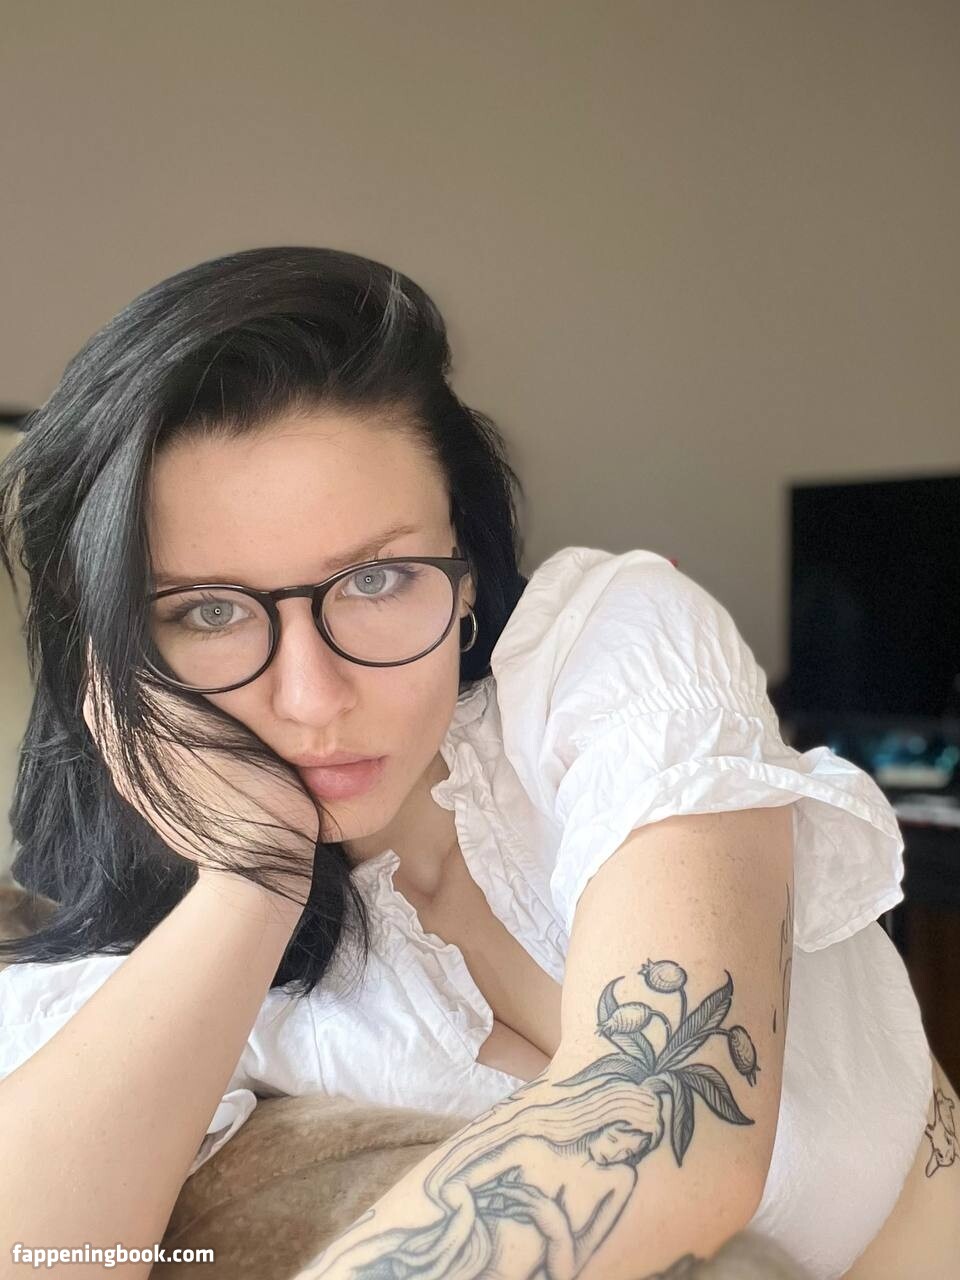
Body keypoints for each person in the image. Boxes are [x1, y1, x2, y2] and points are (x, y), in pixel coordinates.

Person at [0, 247, 955, 1280]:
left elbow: (668, 1113)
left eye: (377, 579)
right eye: (210, 611)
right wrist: (251, 885)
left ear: (463, 573)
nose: (313, 697)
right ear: (113, 654)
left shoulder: (601, 659)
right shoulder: (146, 956)